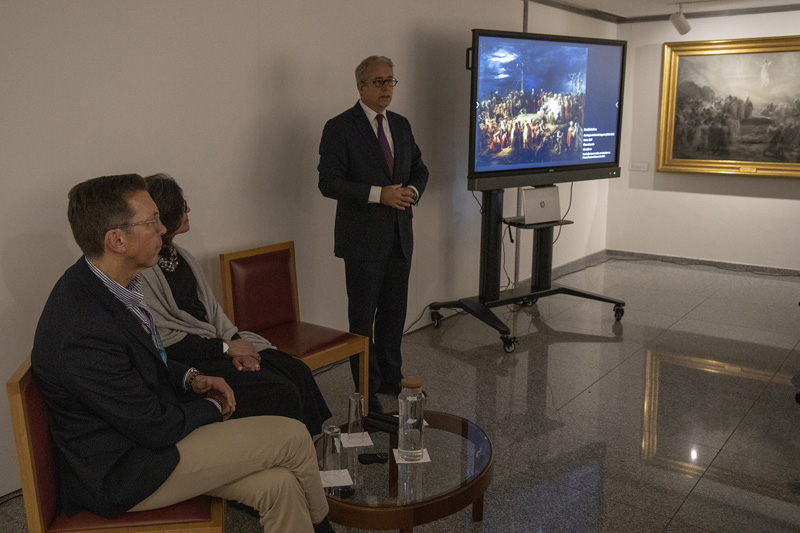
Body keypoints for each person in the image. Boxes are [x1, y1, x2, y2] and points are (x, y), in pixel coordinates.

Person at [31, 174, 334, 533]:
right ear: (117, 240)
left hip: (142, 441)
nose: (163, 229)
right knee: (294, 437)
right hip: (122, 469)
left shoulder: (105, 283)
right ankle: (326, 525)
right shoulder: (81, 329)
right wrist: (212, 406)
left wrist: (191, 378)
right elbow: (154, 426)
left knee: (279, 485)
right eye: (152, 221)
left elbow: (143, 360)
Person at [140, 172, 331, 435]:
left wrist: (239, 345)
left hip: (217, 343)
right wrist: (227, 348)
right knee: (281, 390)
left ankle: (313, 443)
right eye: (183, 206)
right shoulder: (142, 271)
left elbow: (213, 311)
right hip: (191, 358)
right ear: (168, 215)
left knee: (297, 370)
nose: (188, 210)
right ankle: (286, 448)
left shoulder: (182, 256)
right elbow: (164, 339)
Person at [318, 55, 429, 413]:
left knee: (394, 316)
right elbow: (328, 182)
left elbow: (420, 169)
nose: (386, 88)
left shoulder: (401, 124)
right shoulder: (340, 127)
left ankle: (390, 378)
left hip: (400, 237)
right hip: (362, 241)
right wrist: (378, 194)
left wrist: (412, 191)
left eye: (390, 80)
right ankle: (365, 389)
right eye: (379, 81)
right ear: (361, 86)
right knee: (362, 320)